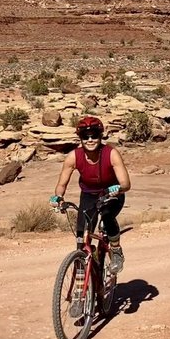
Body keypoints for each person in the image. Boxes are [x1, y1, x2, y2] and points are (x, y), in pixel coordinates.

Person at [50, 116, 131, 274]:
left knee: (107, 216)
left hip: (111, 194)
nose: (90, 140)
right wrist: (58, 197)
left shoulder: (111, 154)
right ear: (80, 138)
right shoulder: (74, 156)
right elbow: (61, 184)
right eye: (85, 137)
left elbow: (126, 184)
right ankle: (82, 283)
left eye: (94, 135)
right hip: (89, 194)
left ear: (100, 136)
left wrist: (118, 188)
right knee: (81, 235)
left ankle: (116, 251)